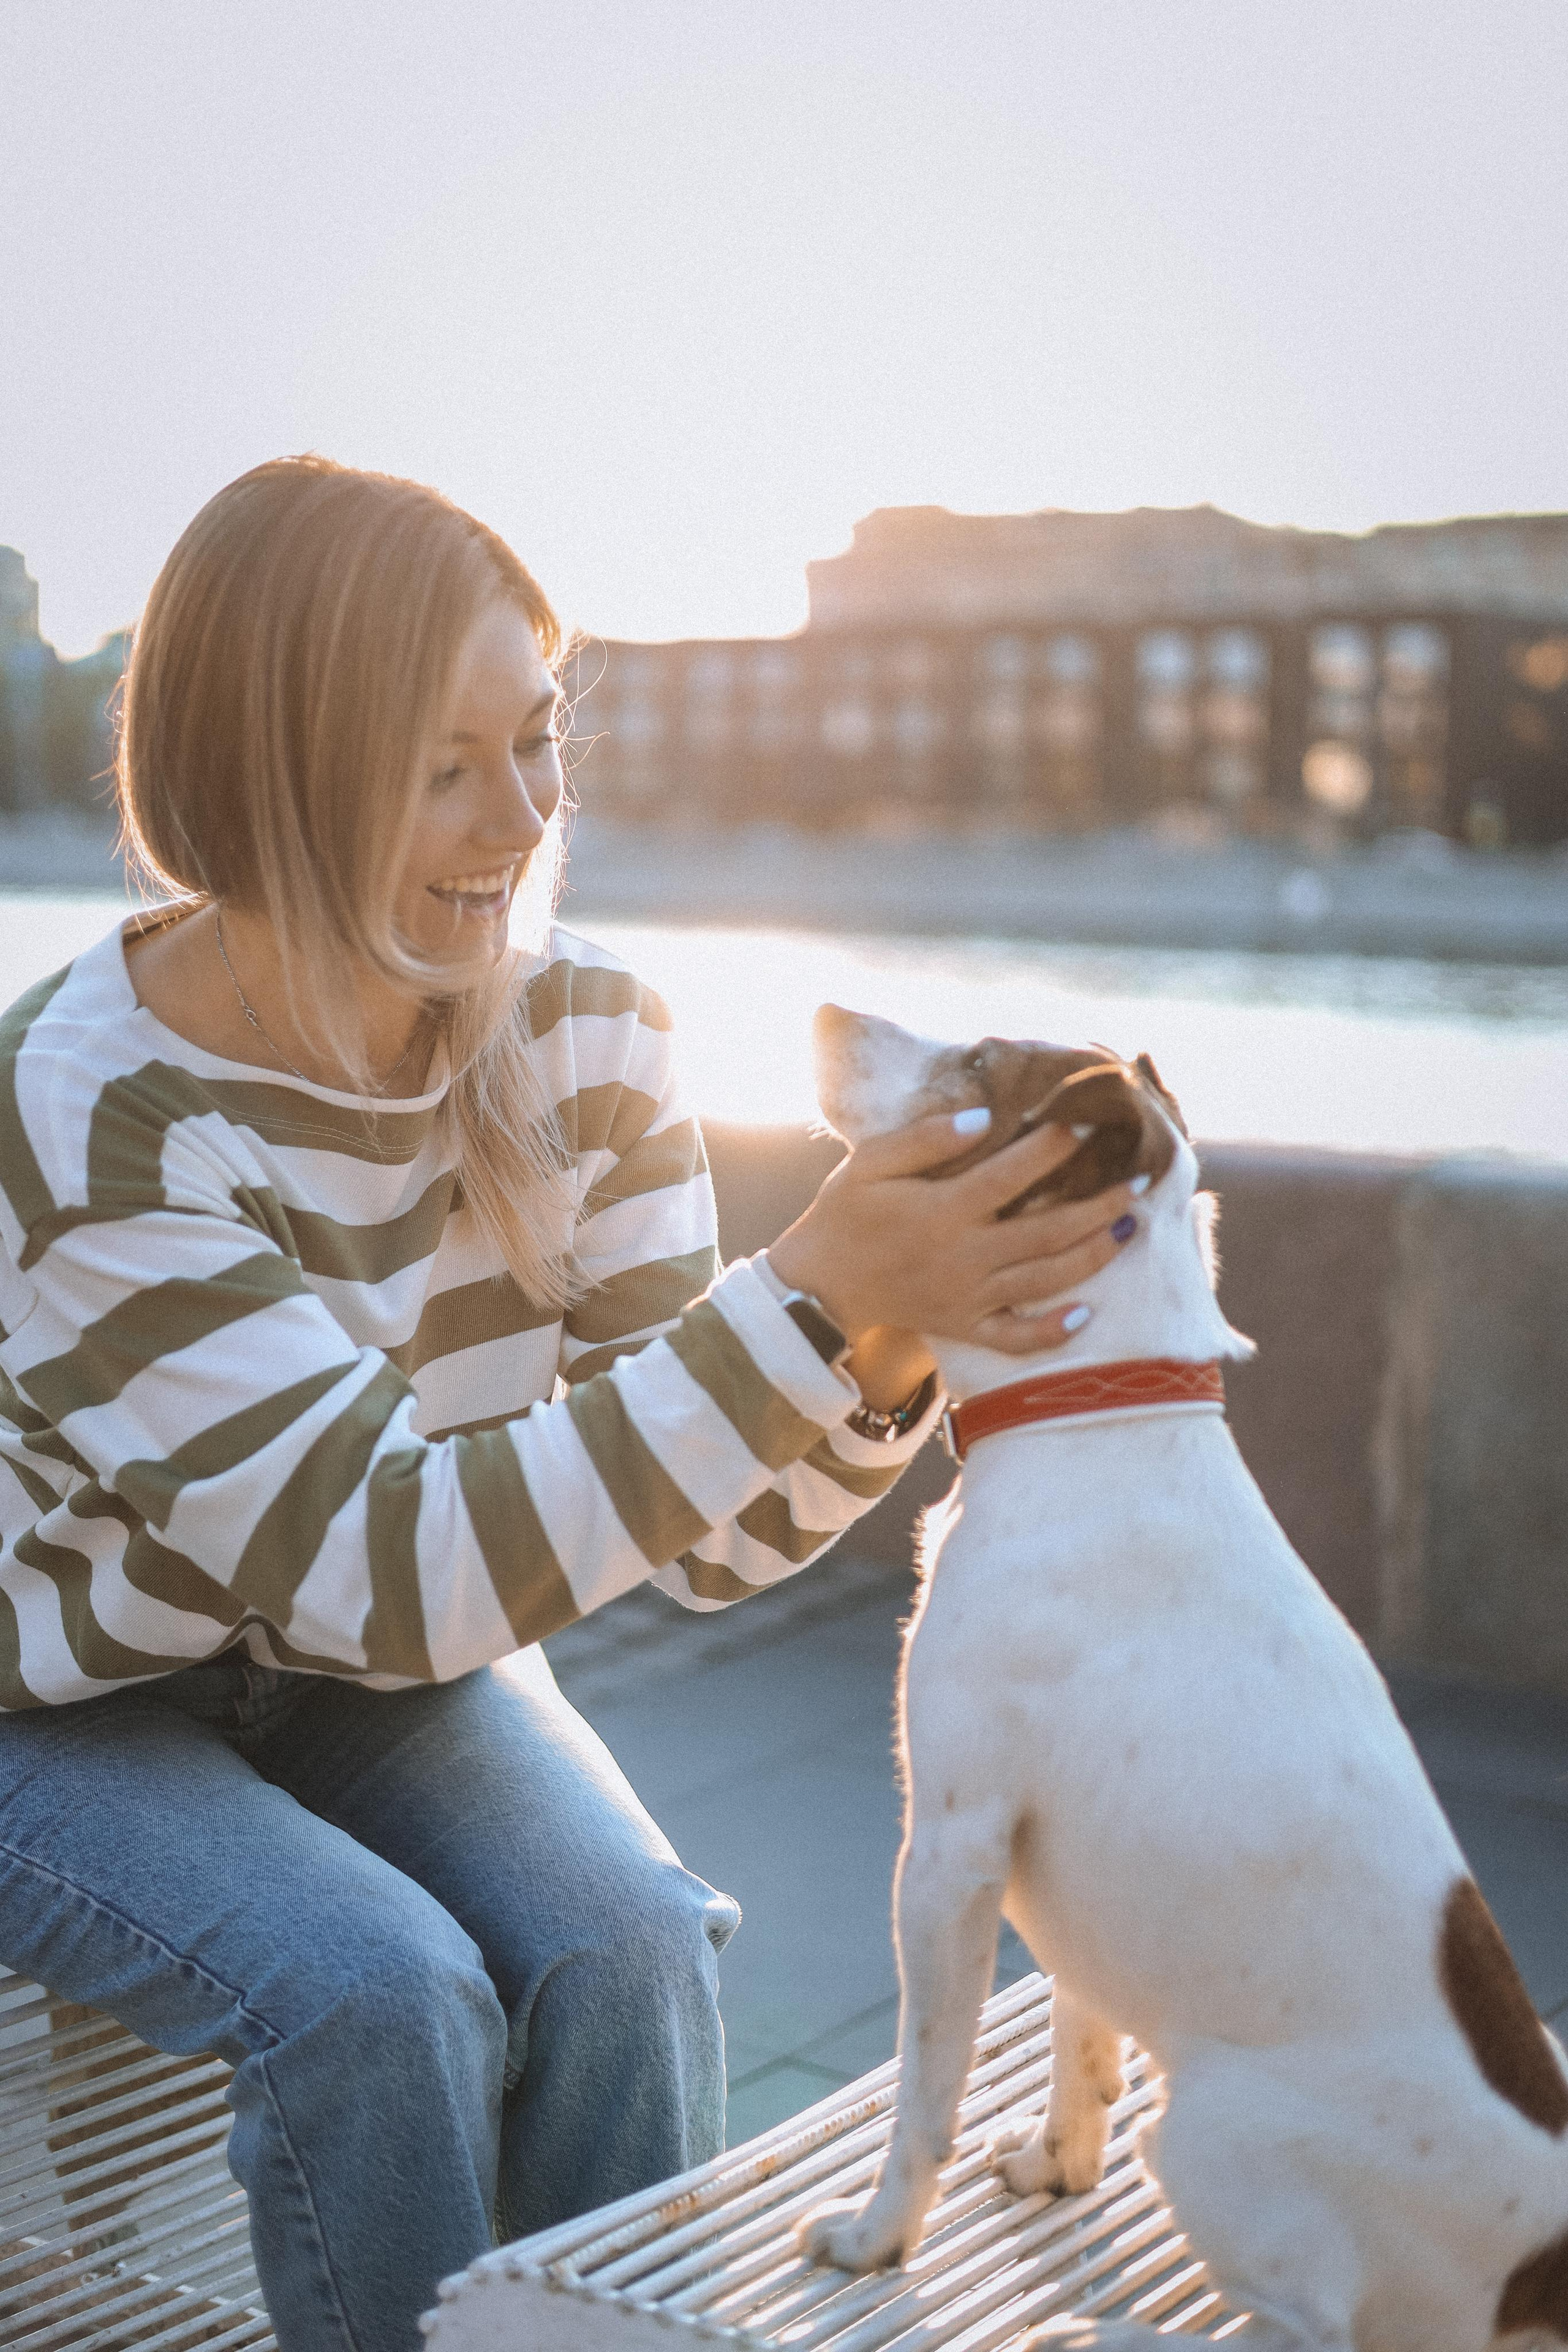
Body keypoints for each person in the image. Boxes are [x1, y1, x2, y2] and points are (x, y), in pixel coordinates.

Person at [0, 457, 1139, 2351]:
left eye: (538, 742)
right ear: (275, 778)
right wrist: (817, 1292)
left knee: (630, 1945)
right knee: (375, 1998)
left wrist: (900, 1343)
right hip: (64, 1699)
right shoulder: (92, 1098)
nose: (522, 819)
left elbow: (706, 1549)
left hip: (373, 1663)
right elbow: (383, 1565)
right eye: (446, 766)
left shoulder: (585, 1032)